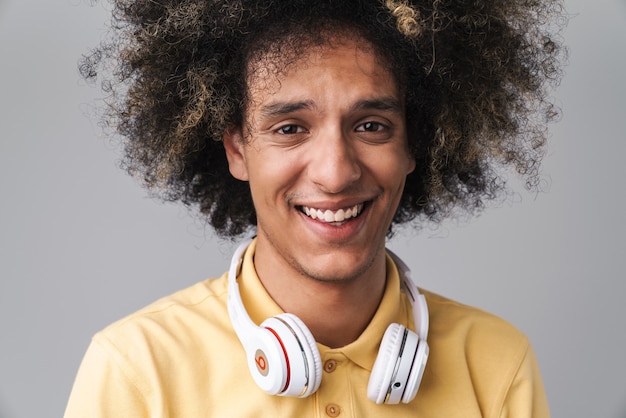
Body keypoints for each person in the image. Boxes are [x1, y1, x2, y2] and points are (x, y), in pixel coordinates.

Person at [65, 0, 565, 416]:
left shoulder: (497, 365)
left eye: (370, 125)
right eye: (290, 128)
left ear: (415, 145)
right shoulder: (138, 371)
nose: (336, 172)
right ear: (237, 150)